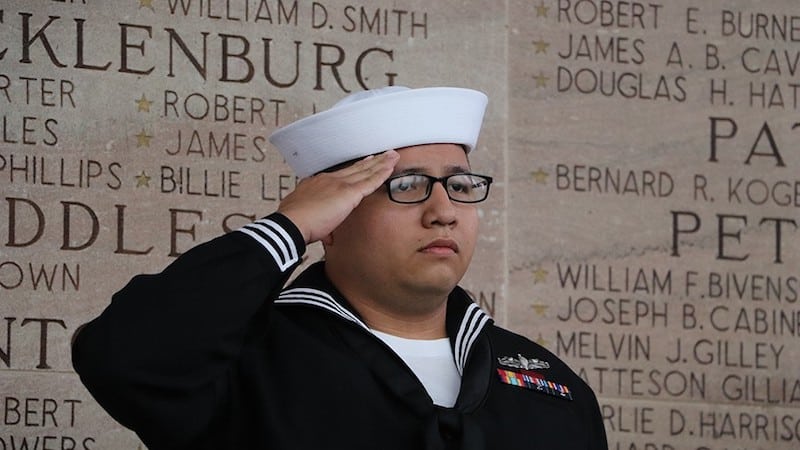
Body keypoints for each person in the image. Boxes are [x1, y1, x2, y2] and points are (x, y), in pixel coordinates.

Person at [72, 86, 607, 450]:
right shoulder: (247, 362)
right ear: (334, 216)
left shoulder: (547, 383)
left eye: (461, 186)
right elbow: (122, 357)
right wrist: (288, 226)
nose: (443, 210)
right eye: (407, 185)